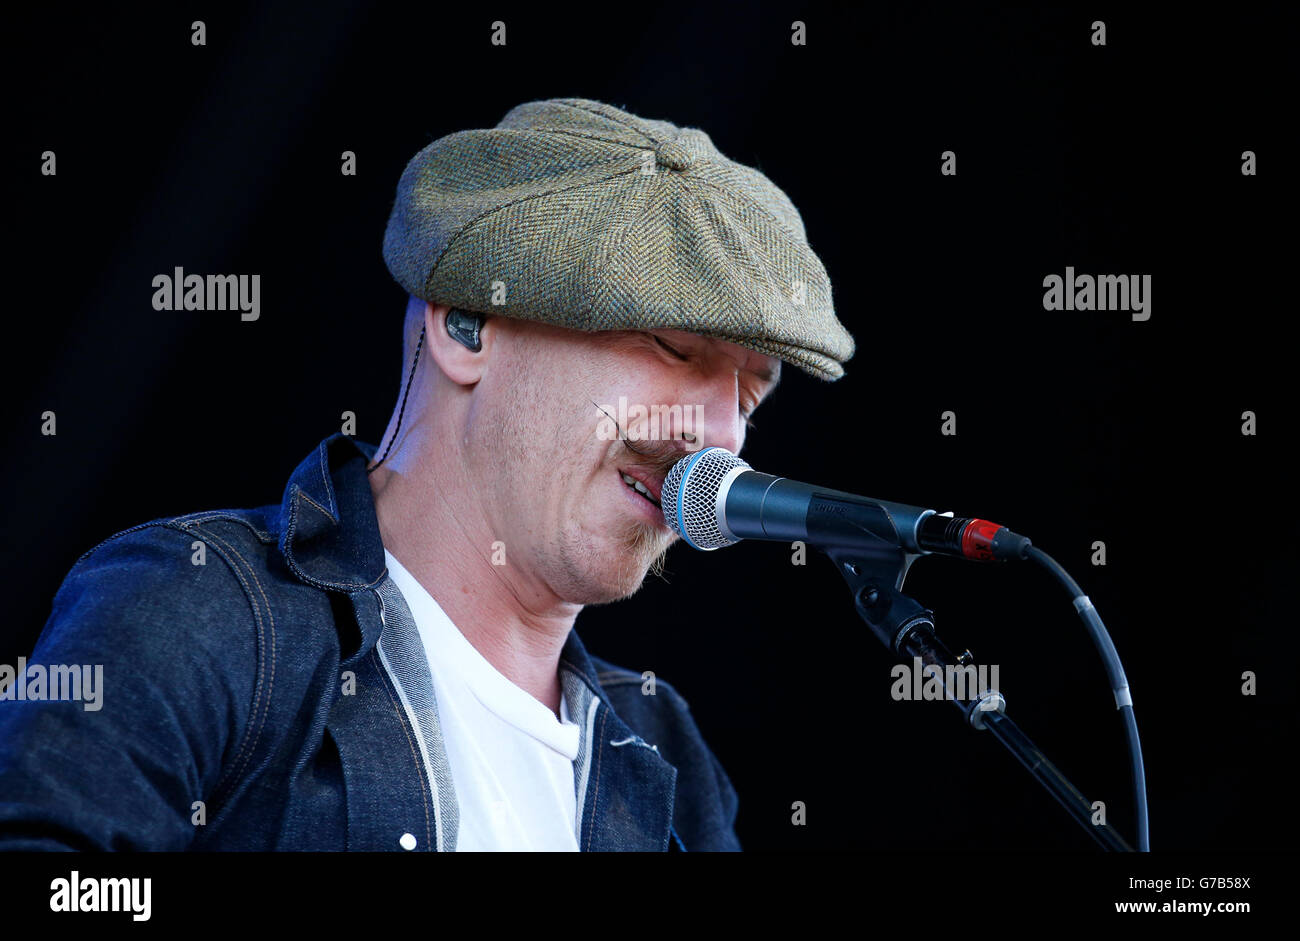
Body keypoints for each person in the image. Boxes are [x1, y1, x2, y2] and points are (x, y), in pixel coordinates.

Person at [0, 98, 854, 851]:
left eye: (750, 389)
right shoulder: (196, 611)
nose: (718, 437)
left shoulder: (664, 752)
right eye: (672, 345)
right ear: (469, 326)